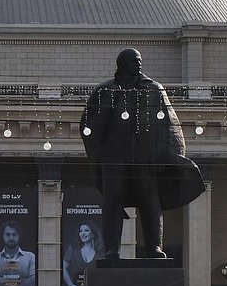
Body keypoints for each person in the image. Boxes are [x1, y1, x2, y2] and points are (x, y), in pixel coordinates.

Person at [80, 48, 204, 259]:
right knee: (113, 201)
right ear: (121, 64)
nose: (138, 64)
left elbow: (170, 124)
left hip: (145, 157)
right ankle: (112, 250)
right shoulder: (105, 91)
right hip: (114, 157)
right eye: (133, 61)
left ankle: (154, 247)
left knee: (150, 200)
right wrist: (99, 154)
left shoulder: (154, 89)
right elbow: (88, 127)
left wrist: (173, 155)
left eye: (139, 61)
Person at [0, 221, 36, 286]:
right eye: (8, 234)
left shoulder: (30, 257)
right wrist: (21, 281)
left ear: (19, 236)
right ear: (2, 236)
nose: (11, 238)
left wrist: (2, 281)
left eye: (14, 234)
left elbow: (33, 282)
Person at [61, 219, 104, 286]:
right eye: (81, 231)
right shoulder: (73, 249)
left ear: (93, 233)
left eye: (86, 230)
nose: (82, 234)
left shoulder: (101, 252)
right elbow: (63, 267)